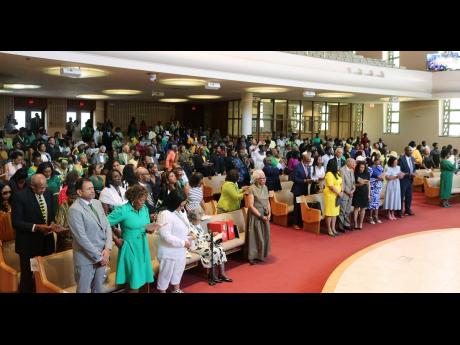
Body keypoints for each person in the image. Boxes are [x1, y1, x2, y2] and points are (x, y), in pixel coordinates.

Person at [12, 174, 66, 292]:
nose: (44, 190)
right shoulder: (20, 196)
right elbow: (16, 222)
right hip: (28, 245)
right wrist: (36, 227)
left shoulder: (48, 193)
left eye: (45, 187)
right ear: (32, 186)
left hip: (46, 243)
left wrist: (53, 225)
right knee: (27, 278)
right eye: (41, 188)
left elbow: (49, 215)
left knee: (45, 277)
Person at [107, 185, 156, 292]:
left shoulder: (144, 209)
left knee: (142, 279)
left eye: (145, 199)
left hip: (143, 247)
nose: (144, 202)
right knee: (134, 282)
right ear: (133, 199)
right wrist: (115, 238)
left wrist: (150, 229)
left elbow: (146, 225)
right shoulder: (123, 210)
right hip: (129, 248)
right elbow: (104, 223)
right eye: (141, 200)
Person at [67, 179, 112, 293]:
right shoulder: (74, 209)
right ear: (79, 192)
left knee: (98, 289)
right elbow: (81, 238)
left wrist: (107, 249)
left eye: (92, 188)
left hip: (103, 253)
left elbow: (107, 225)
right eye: (88, 189)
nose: (93, 191)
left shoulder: (97, 203)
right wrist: (99, 257)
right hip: (85, 258)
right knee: (83, 290)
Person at [156, 190, 193, 293]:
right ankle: (162, 291)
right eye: (181, 205)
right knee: (165, 275)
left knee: (178, 272)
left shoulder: (178, 211)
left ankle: (176, 290)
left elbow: (184, 225)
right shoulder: (164, 214)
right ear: (174, 202)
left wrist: (190, 233)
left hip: (180, 250)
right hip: (168, 251)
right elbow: (165, 235)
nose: (182, 208)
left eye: (183, 205)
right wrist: (183, 243)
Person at [187, 208, 232, 283]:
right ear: (193, 219)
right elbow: (194, 239)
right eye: (199, 219)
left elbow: (202, 236)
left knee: (220, 248)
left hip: (203, 244)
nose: (200, 221)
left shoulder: (197, 225)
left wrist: (212, 234)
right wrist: (207, 242)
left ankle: (222, 273)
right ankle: (212, 274)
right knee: (213, 250)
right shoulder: (189, 227)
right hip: (195, 246)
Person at [245, 170, 271, 264]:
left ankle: (261, 254)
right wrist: (260, 216)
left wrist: (269, 213)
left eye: (265, 178)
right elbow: (250, 205)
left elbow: (267, 201)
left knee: (264, 235)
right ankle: (252, 256)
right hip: (255, 215)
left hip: (265, 214)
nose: (264, 180)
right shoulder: (251, 188)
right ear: (256, 179)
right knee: (255, 236)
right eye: (262, 178)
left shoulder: (265, 187)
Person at [290, 152, 313, 229]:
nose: (309, 162)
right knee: (297, 207)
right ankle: (295, 223)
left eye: (309, 160)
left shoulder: (308, 167)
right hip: (298, 190)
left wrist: (311, 179)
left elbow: (308, 176)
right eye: (308, 160)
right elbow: (293, 178)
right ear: (303, 159)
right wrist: (304, 181)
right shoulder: (297, 166)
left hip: (304, 189)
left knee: (302, 206)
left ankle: (301, 222)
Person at [55, 184, 78, 252]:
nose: (73, 200)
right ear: (67, 196)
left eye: (75, 198)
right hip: (67, 239)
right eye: (71, 198)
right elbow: (60, 225)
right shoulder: (63, 206)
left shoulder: (80, 204)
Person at [323, 159, 343, 237]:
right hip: (330, 195)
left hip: (337, 195)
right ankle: (329, 229)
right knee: (329, 213)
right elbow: (331, 186)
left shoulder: (337, 173)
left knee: (335, 213)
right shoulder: (329, 174)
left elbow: (341, 182)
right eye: (337, 164)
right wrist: (339, 193)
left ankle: (333, 228)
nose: (338, 166)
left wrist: (341, 191)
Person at [338, 158, 356, 232]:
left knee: (348, 211)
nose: (354, 164)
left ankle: (347, 224)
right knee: (342, 211)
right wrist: (349, 192)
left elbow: (353, 182)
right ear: (348, 163)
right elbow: (342, 184)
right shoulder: (342, 170)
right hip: (345, 194)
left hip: (351, 193)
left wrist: (353, 190)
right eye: (353, 163)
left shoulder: (351, 170)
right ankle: (340, 226)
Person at [397, 146, 416, 217]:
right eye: (409, 151)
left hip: (410, 180)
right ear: (405, 151)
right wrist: (408, 174)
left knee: (409, 196)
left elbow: (414, 168)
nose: (411, 152)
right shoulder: (401, 159)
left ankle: (407, 210)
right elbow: (399, 170)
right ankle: (399, 211)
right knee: (401, 196)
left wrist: (414, 173)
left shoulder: (413, 158)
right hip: (403, 180)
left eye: (411, 151)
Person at [368, 157, 385, 224]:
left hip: (378, 187)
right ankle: (370, 217)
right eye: (378, 160)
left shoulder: (380, 167)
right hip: (372, 187)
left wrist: (382, 178)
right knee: (372, 203)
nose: (379, 162)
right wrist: (376, 179)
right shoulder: (370, 168)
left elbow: (382, 175)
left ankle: (376, 216)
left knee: (377, 202)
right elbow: (368, 179)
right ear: (374, 161)